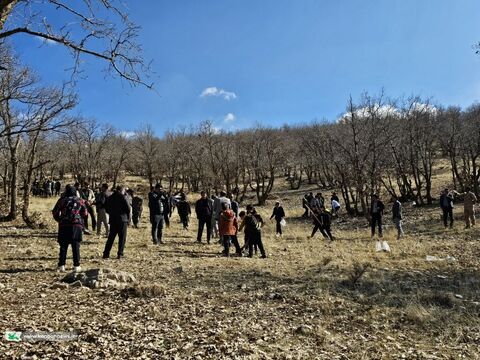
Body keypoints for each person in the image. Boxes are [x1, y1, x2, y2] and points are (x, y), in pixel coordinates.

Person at [52, 184, 87, 272]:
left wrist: (59, 219)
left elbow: (55, 211)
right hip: (76, 225)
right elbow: (85, 213)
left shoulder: (62, 200)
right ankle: (76, 265)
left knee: (63, 246)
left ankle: (61, 265)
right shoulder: (80, 201)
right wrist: (80, 219)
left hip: (64, 225)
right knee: (76, 245)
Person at [103, 186, 130, 259]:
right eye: (124, 190)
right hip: (122, 219)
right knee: (122, 238)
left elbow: (106, 208)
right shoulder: (123, 197)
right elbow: (128, 208)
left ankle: (106, 253)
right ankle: (120, 254)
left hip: (113, 219)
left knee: (111, 237)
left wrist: (112, 213)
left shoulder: (110, 197)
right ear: (121, 190)